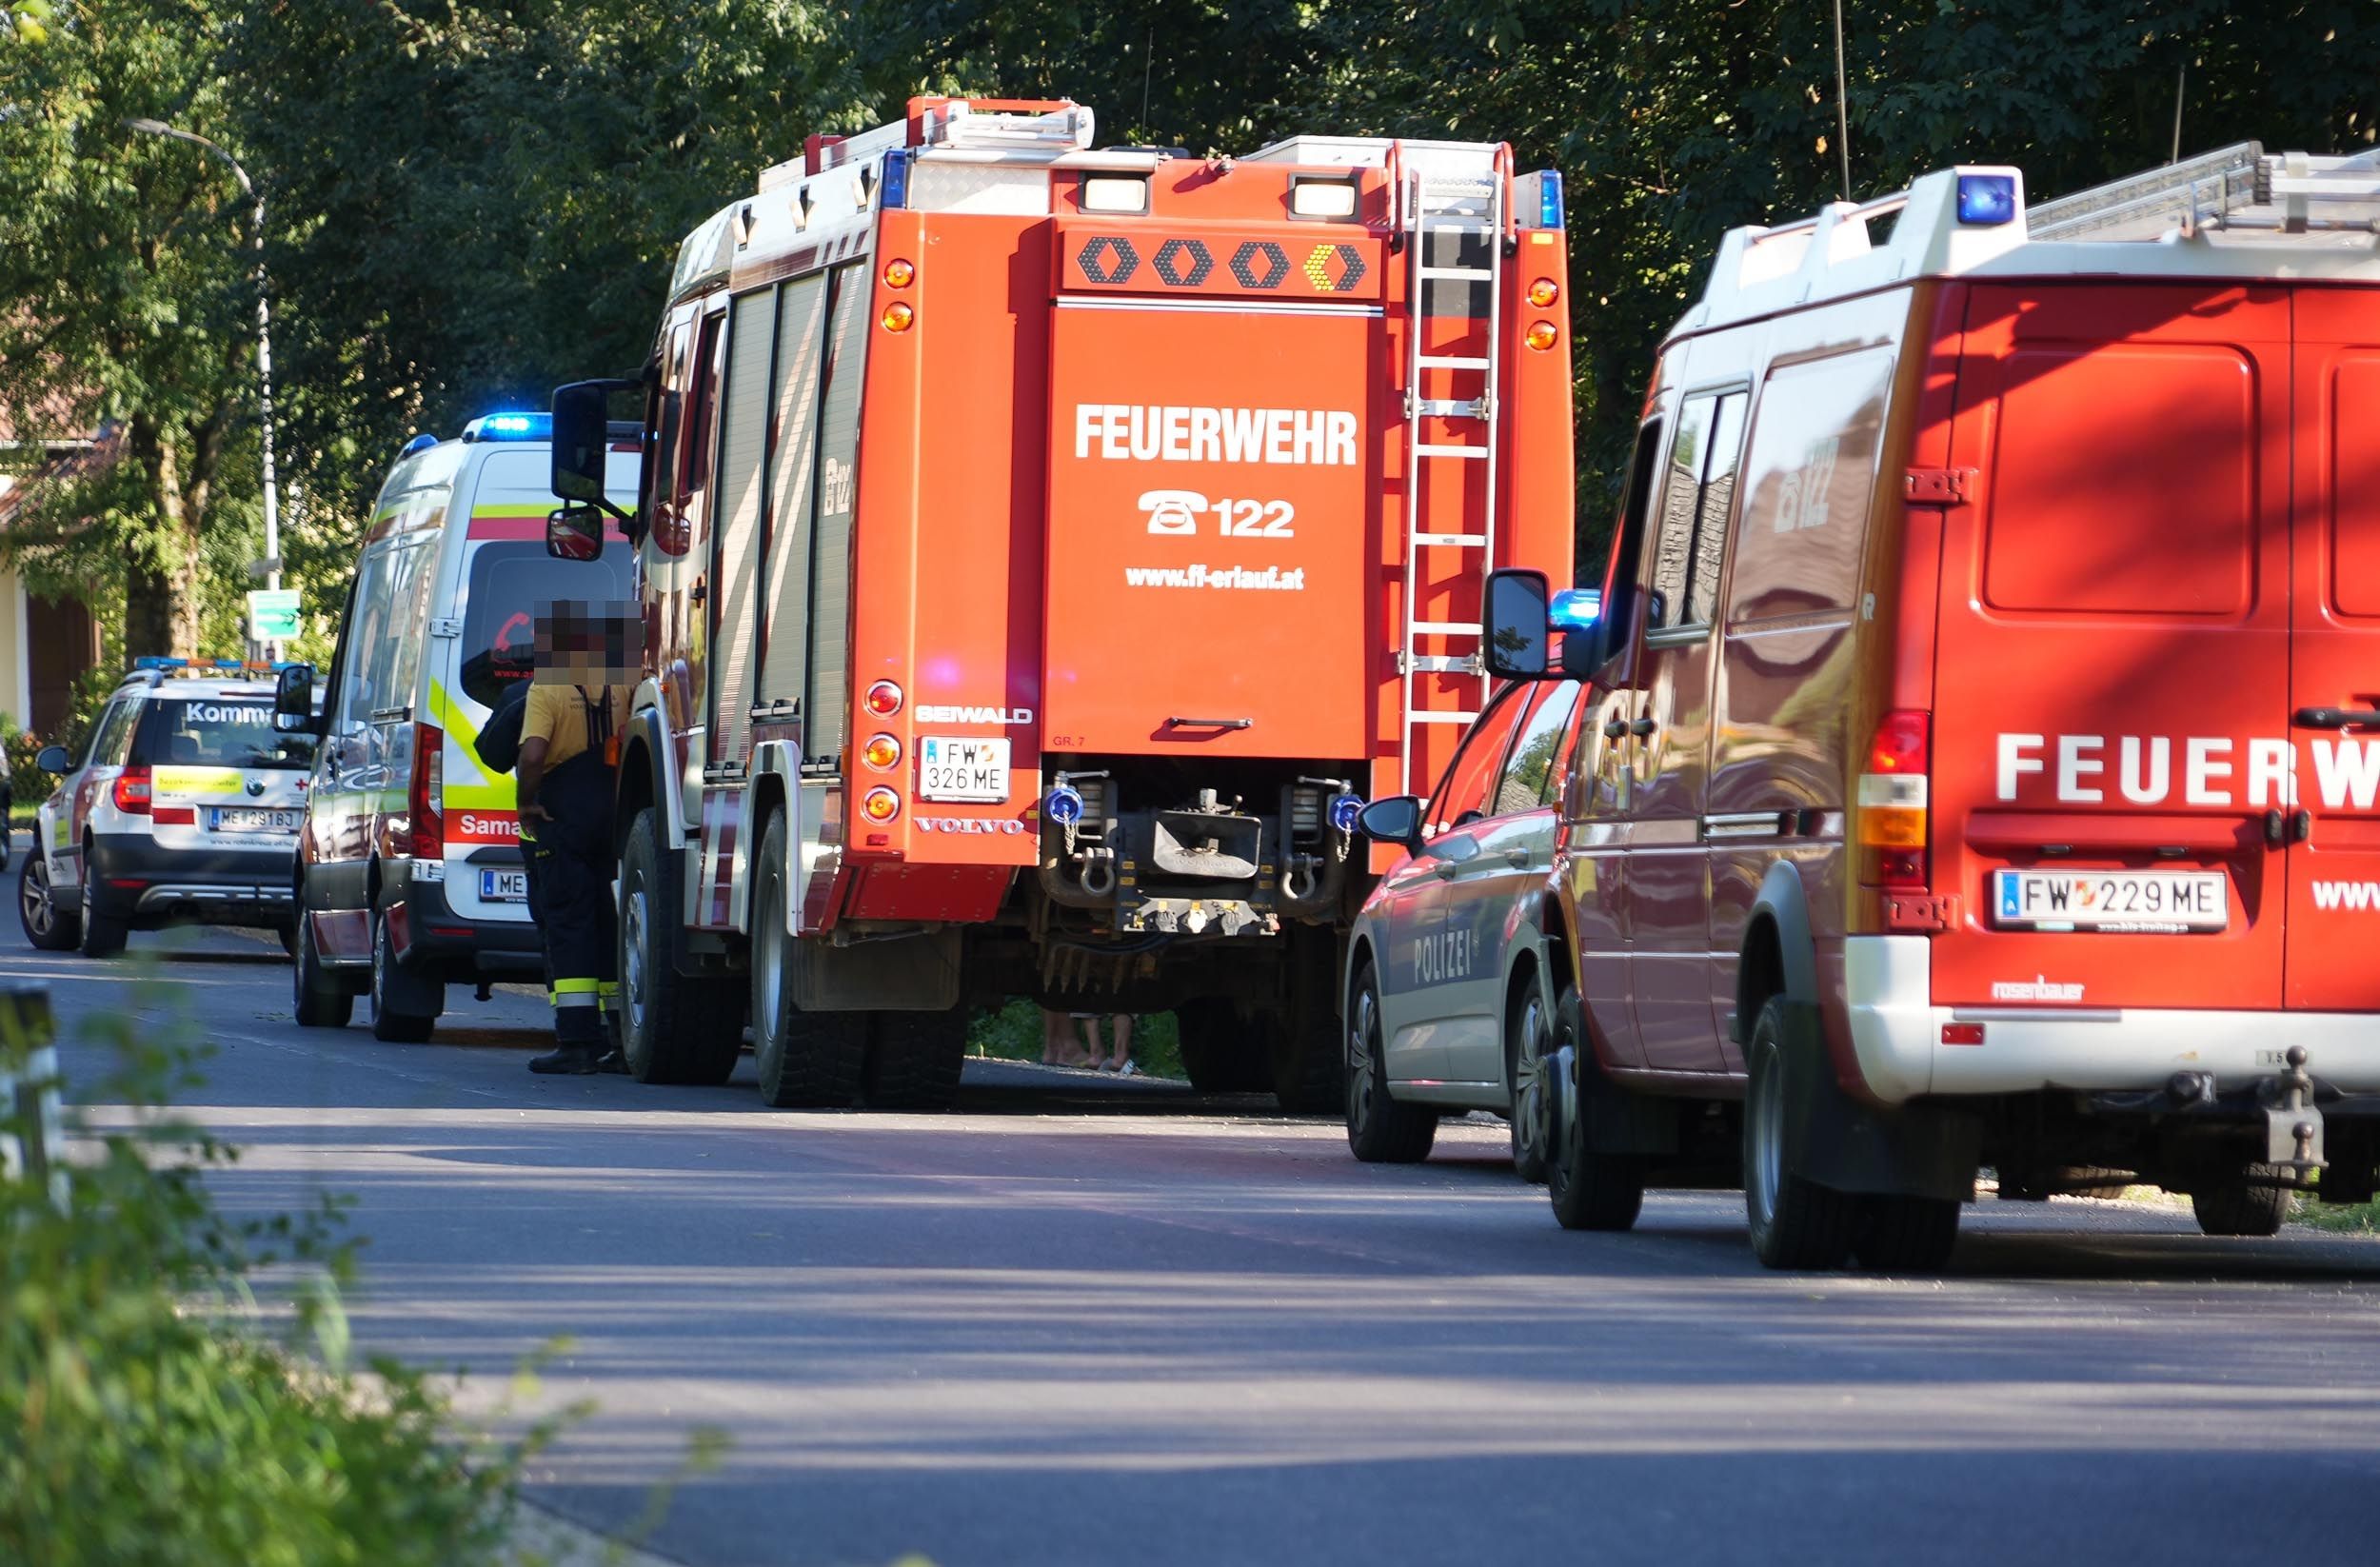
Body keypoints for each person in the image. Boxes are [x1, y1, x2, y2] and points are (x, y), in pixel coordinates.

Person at [519, 601, 638, 1075]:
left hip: (562, 814)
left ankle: (576, 1042)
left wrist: (525, 802)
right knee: (614, 922)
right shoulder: (626, 684)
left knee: (569, 922)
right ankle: (620, 1039)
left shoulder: (546, 688)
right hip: (616, 810)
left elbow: (532, 755)